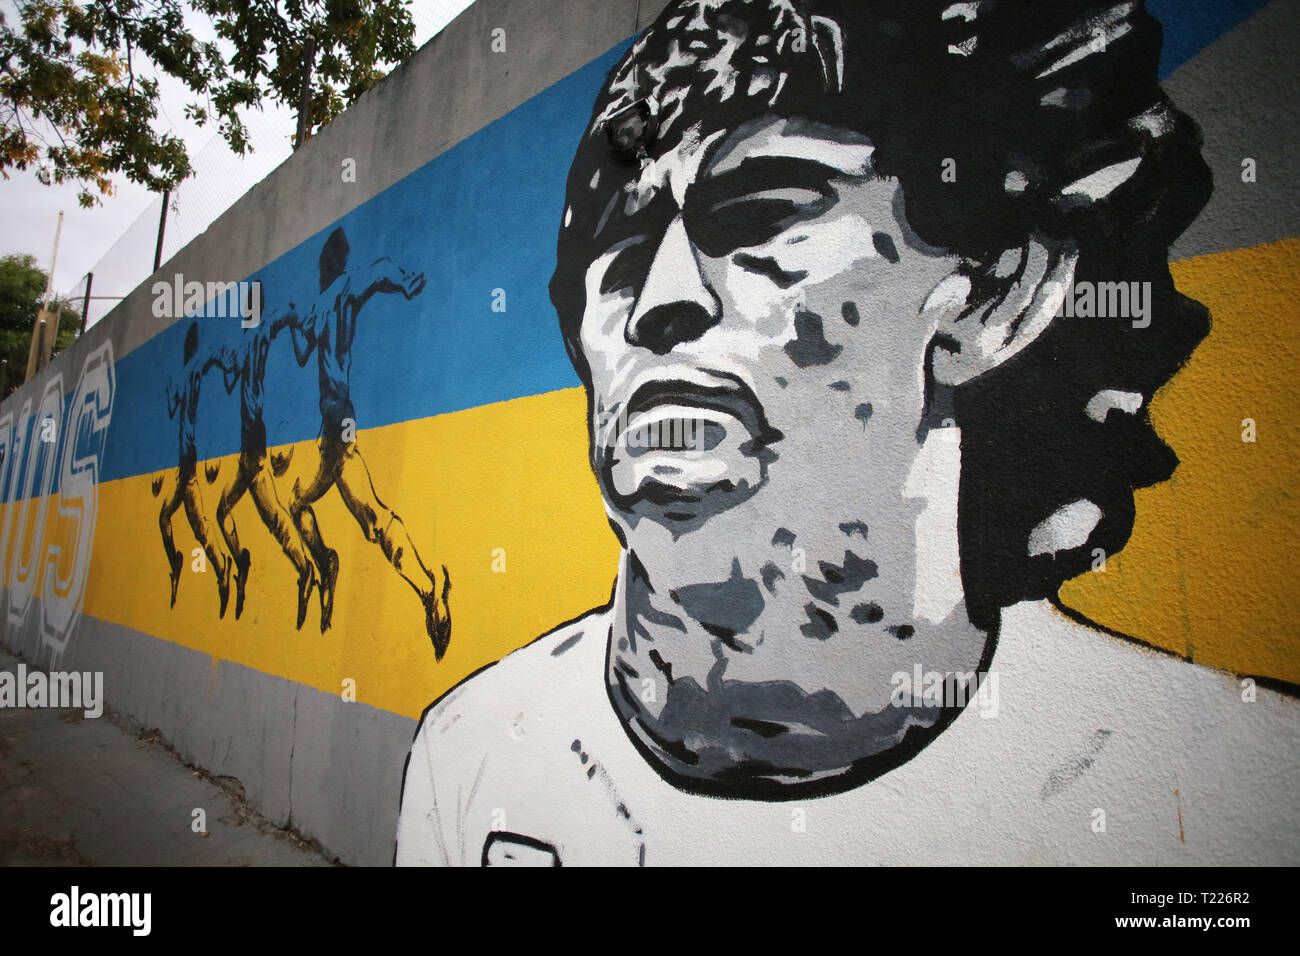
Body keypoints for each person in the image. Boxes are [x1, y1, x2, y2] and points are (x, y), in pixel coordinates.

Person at [397, 0, 1300, 865]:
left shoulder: (1217, 787)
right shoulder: (478, 755)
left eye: (759, 212)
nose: (660, 302)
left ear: (998, 293)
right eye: (622, 251)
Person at [283, 228, 452, 656]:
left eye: (324, 265)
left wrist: (402, 278)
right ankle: (430, 589)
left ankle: (326, 563)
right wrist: (293, 322)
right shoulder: (327, 301)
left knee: (302, 503)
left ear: (328, 266)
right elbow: (306, 352)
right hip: (335, 427)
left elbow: (376, 273)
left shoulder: (337, 289)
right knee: (369, 519)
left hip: (338, 419)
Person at [206, 312, 318, 628]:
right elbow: (233, 380)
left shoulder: (251, 339)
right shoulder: (259, 336)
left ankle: (304, 568)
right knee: (228, 511)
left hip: (254, 442)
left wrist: (219, 358)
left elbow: (230, 377)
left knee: (274, 518)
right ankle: (243, 560)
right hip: (248, 445)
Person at [159, 321, 232, 616]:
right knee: (166, 516)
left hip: (187, 465)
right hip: (183, 464)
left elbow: (172, 406)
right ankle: (179, 562)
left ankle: (220, 567)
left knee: (199, 528)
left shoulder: (187, 372)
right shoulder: (196, 368)